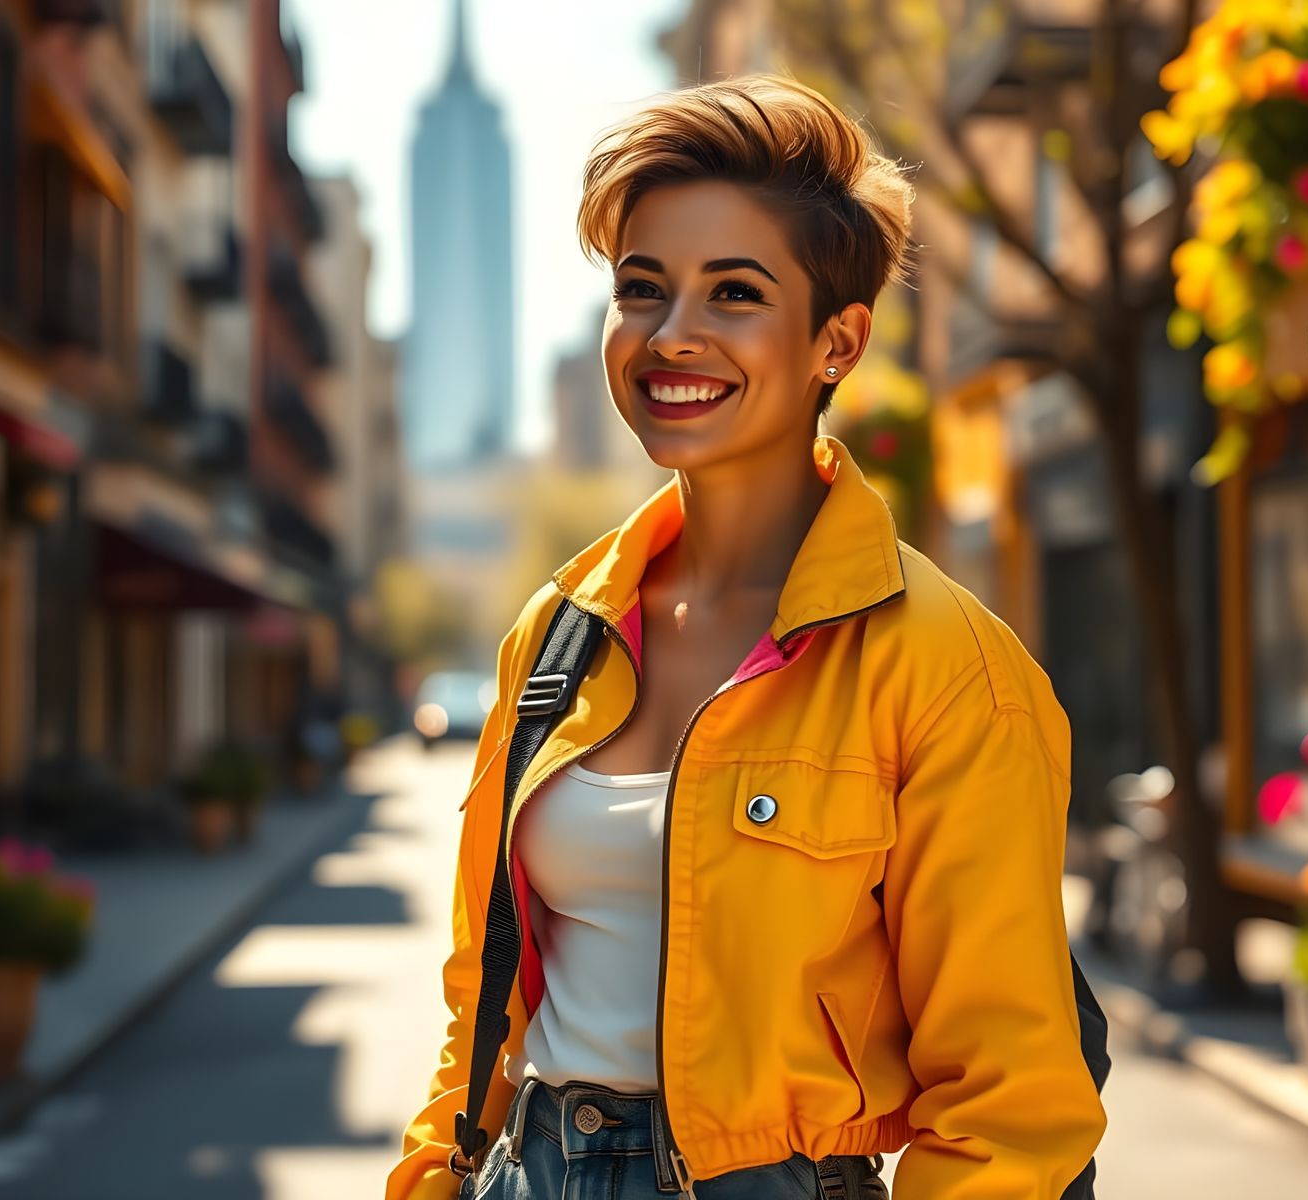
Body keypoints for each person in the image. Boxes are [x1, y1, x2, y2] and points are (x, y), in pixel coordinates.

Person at [386, 73, 1106, 1200]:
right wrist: (434, 1178)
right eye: (642, 289)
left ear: (837, 342)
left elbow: (1009, 1107)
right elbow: (481, 997)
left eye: (734, 294)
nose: (672, 336)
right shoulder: (559, 633)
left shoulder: (946, 667)